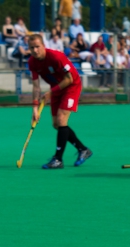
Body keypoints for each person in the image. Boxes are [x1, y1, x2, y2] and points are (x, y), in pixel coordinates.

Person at [27, 33, 92, 169]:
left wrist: (51, 92)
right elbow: (36, 86)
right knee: (56, 124)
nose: (35, 50)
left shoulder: (56, 56)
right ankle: (83, 149)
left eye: (37, 47)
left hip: (71, 86)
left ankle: (58, 159)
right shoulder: (32, 62)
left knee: (62, 120)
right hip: (56, 88)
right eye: (32, 48)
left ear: (44, 46)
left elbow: (69, 79)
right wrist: (34, 108)